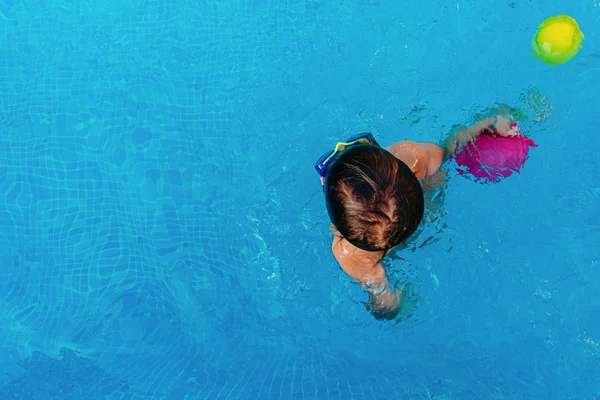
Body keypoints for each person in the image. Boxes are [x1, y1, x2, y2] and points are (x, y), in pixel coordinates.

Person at [315, 115, 519, 320]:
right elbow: (450, 147)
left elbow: (384, 297)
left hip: (381, 232)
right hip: (414, 202)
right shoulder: (413, 156)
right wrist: (495, 119)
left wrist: (387, 308)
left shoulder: (351, 255)